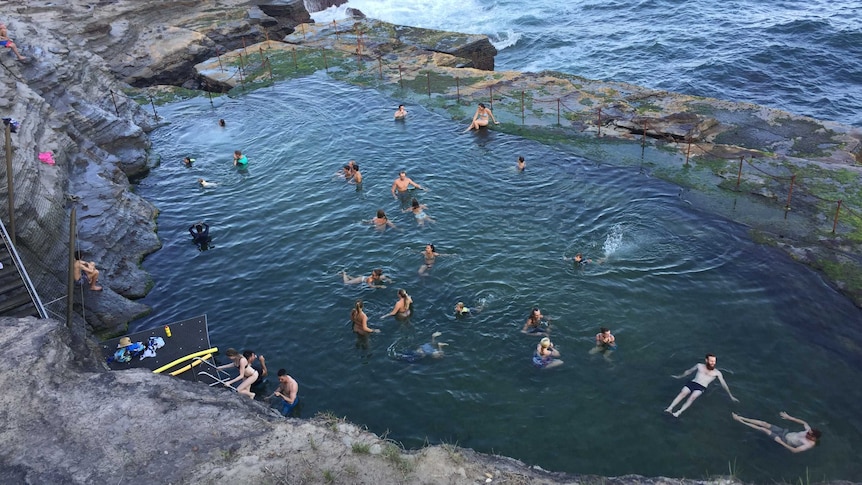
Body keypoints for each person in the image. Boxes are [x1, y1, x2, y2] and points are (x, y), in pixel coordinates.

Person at [664, 353, 739, 417]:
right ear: (706, 360)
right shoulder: (699, 365)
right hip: (693, 382)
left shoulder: (717, 373)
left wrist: (730, 396)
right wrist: (679, 376)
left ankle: (678, 412)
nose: (713, 363)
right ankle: (670, 408)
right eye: (711, 361)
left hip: (701, 387)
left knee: (692, 397)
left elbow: (724, 384)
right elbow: (689, 371)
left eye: (714, 361)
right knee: (682, 393)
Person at [732, 412, 821, 453]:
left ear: (813, 438)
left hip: (783, 440)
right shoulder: (808, 431)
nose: (807, 433)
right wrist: (789, 417)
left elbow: (795, 450)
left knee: (764, 430)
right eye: (808, 432)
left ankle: (740, 421)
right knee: (764, 424)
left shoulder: (808, 444)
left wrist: (781, 442)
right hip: (784, 432)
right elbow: (804, 423)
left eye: (809, 434)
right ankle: (742, 417)